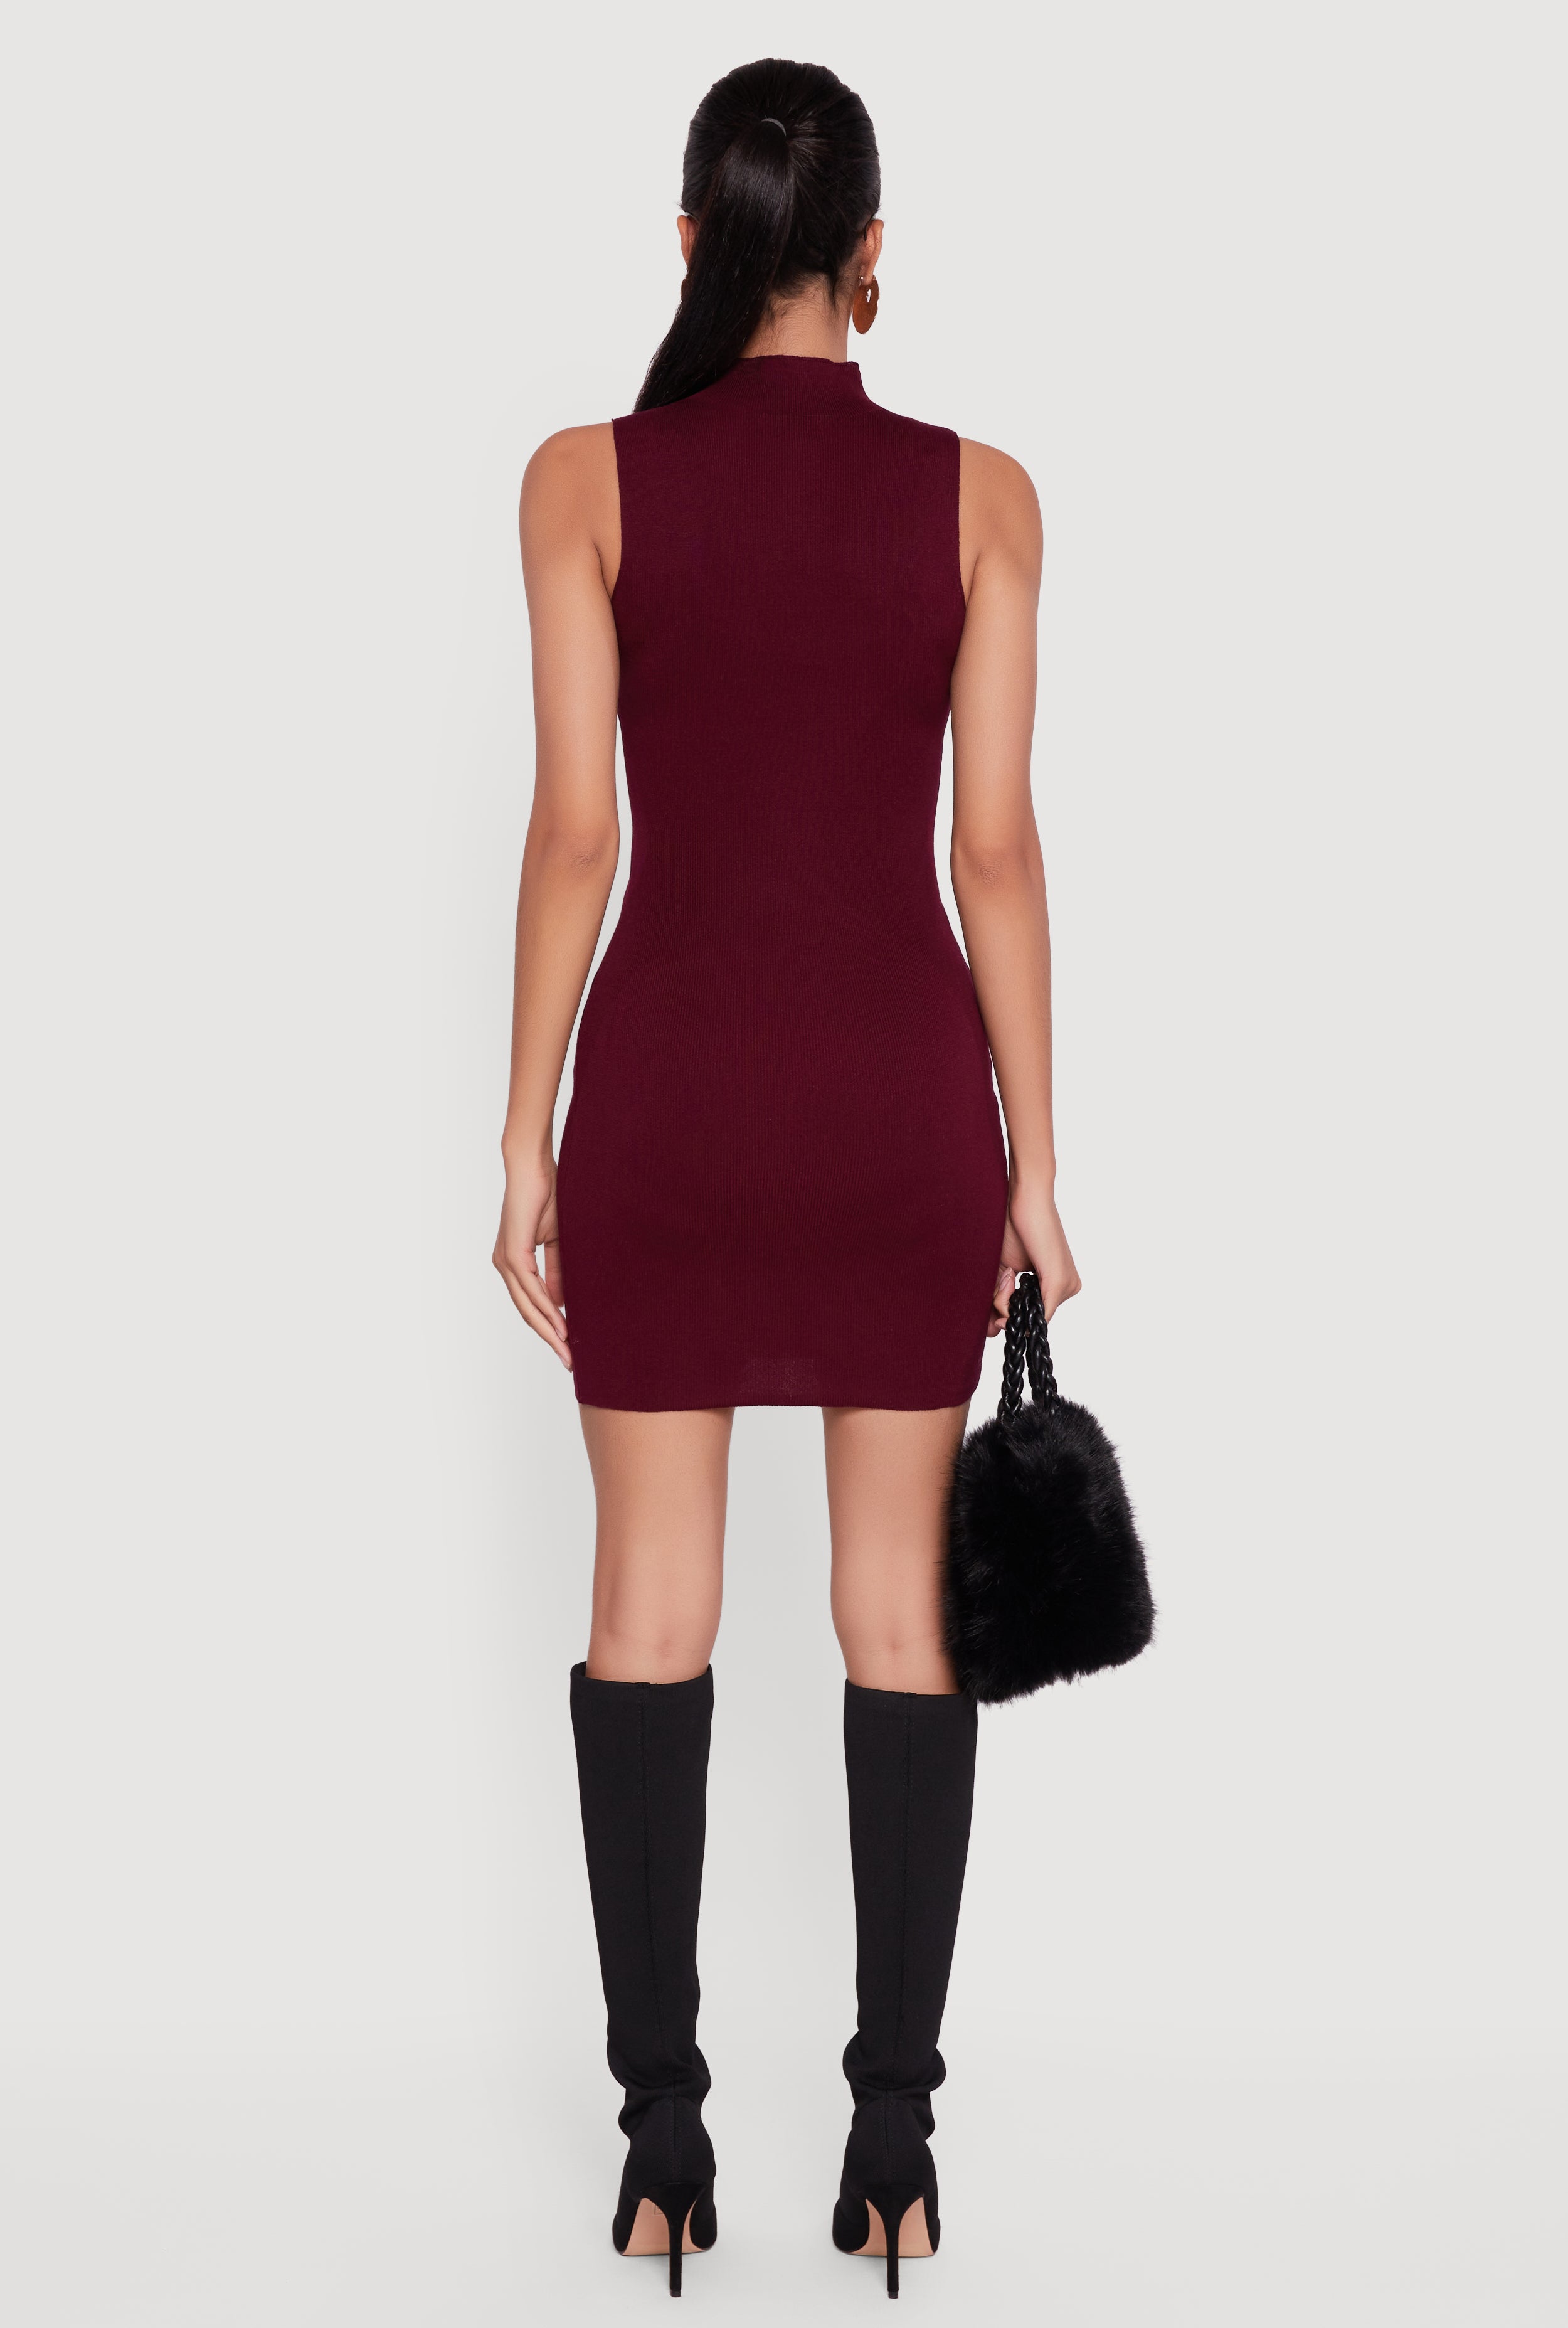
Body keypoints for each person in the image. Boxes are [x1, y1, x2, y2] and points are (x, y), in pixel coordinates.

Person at [492, 56, 1079, 2299]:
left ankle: (662, 2148)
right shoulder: (983, 498)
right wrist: (1036, 1161)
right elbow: (992, 851)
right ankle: (893, 2151)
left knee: (647, 1613)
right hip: (894, 1108)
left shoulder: (583, 481)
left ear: (689, 245)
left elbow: (577, 835)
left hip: (667, 1105)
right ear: (870, 257)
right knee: (900, 1619)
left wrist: (523, 1130)